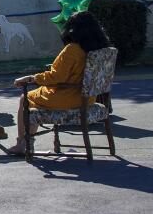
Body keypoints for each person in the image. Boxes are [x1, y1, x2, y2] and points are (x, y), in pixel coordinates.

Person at [7, 11, 111, 156]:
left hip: (69, 97)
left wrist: (31, 78)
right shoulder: (101, 49)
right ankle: (26, 143)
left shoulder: (72, 49)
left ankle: (23, 143)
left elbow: (57, 77)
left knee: (26, 98)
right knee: (36, 96)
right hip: (89, 99)